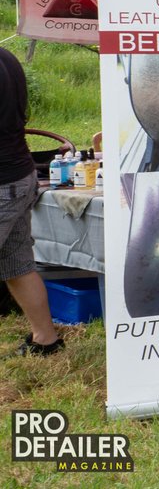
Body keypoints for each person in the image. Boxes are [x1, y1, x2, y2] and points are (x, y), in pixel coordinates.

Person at [1, 46, 62, 356]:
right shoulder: (7, 56)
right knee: (17, 265)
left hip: (3, 182)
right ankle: (45, 340)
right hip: (20, 175)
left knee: (18, 266)